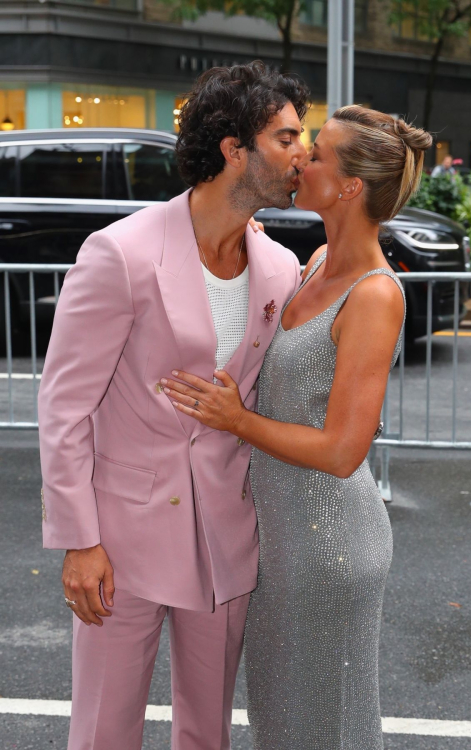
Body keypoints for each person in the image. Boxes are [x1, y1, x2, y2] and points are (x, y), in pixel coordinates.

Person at [37, 61, 308, 750]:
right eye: (286, 137)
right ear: (233, 148)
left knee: (207, 733)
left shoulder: (279, 268)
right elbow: (65, 405)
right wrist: (80, 540)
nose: (301, 153)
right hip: (119, 543)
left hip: (224, 538)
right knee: (105, 730)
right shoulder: (122, 253)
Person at [163, 105, 433, 749]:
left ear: (349, 188)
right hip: (282, 542)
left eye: (317, 154)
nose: (299, 160)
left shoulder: (374, 294)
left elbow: (343, 451)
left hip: (329, 547)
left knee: (322, 728)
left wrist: (238, 421)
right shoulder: (312, 262)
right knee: (284, 723)